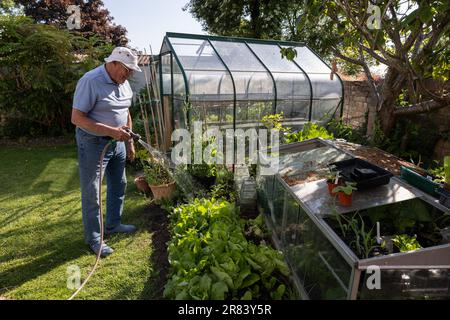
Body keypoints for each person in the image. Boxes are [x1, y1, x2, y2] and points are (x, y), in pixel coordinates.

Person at [71, 47, 142, 257]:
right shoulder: (90, 80)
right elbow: (77, 118)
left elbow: (125, 111)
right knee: (92, 192)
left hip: (117, 143)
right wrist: (112, 131)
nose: (129, 75)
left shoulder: (124, 83)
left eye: (131, 71)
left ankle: (113, 224)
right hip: (93, 143)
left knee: (119, 183)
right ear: (114, 64)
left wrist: (129, 142)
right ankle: (94, 239)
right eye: (127, 70)